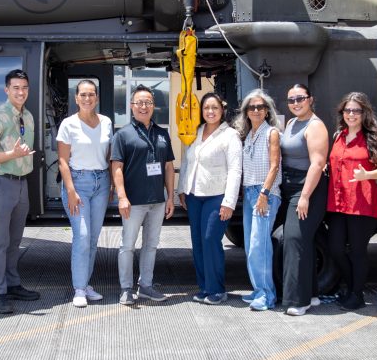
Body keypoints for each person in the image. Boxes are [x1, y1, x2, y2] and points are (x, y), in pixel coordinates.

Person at [110, 84, 175, 305]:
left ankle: (146, 285)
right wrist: (122, 197)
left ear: (153, 105)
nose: (144, 106)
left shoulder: (162, 133)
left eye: (148, 102)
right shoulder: (123, 135)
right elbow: (116, 167)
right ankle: (126, 288)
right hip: (133, 202)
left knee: (151, 244)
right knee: (127, 245)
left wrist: (170, 197)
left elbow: (168, 166)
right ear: (131, 106)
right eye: (139, 102)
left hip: (157, 201)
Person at [326, 92, 377, 310]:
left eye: (356, 110)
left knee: (357, 251)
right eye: (348, 110)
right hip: (337, 203)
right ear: (342, 113)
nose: (351, 114)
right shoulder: (338, 136)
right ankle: (351, 286)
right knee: (335, 248)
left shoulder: (373, 138)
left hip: (361, 203)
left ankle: (356, 294)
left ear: (364, 113)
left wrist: (368, 176)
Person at [0, 68, 39, 314]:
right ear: (7, 90)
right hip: (1, 182)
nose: (21, 91)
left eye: (24, 87)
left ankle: (13, 283)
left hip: (21, 183)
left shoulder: (28, 116)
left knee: (15, 240)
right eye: (15, 87)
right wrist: (11, 155)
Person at [178, 93, 242, 305]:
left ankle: (217, 289)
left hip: (217, 196)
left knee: (210, 240)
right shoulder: (195, 132)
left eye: (214, 108)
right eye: (206, 108)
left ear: (222, 110)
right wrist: (182, 189)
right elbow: (186, 162)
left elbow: (235, 170)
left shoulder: (230, 135)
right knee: (197, 242)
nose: (210, 112)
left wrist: (229, 202)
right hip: (195, 195)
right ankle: (204, 287)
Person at [57, 79, 113, 308]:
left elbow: (109, 156)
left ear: (97, 98)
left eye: (91, 94)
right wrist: (70, 190)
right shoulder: (68, 125)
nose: (87, 98)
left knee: (92, 238)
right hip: (77, 182)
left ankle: (86, 284)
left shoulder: (107, 122)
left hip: (101, 183)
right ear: (76, 98)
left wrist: (110, 186)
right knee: (82, 236)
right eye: (83, 95)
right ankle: (79, 289)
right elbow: (62, 161)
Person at [275, 83, 330, 316]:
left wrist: (305, 196)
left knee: (294, 240)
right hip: (289, 187)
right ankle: (312, 294)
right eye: (291, 100)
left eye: (300, 98)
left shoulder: (315, 126)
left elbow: (317, 164)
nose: (296, 103)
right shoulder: (290, 123)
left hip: (308, 188)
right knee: (304, 240)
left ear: (310, 99)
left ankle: (298, 301)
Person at [233, 89, 282, 311]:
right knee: (250, 246)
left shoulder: (271, 132)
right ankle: (257, 289)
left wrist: (264, 193)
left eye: (260, 107)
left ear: (267, 111)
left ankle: (267, 295)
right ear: (246, 111)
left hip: (265, 194)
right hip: (249, 192)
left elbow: (274, 165)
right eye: (251, 107)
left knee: (259, 246)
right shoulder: (248, 135)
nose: (255, 110)